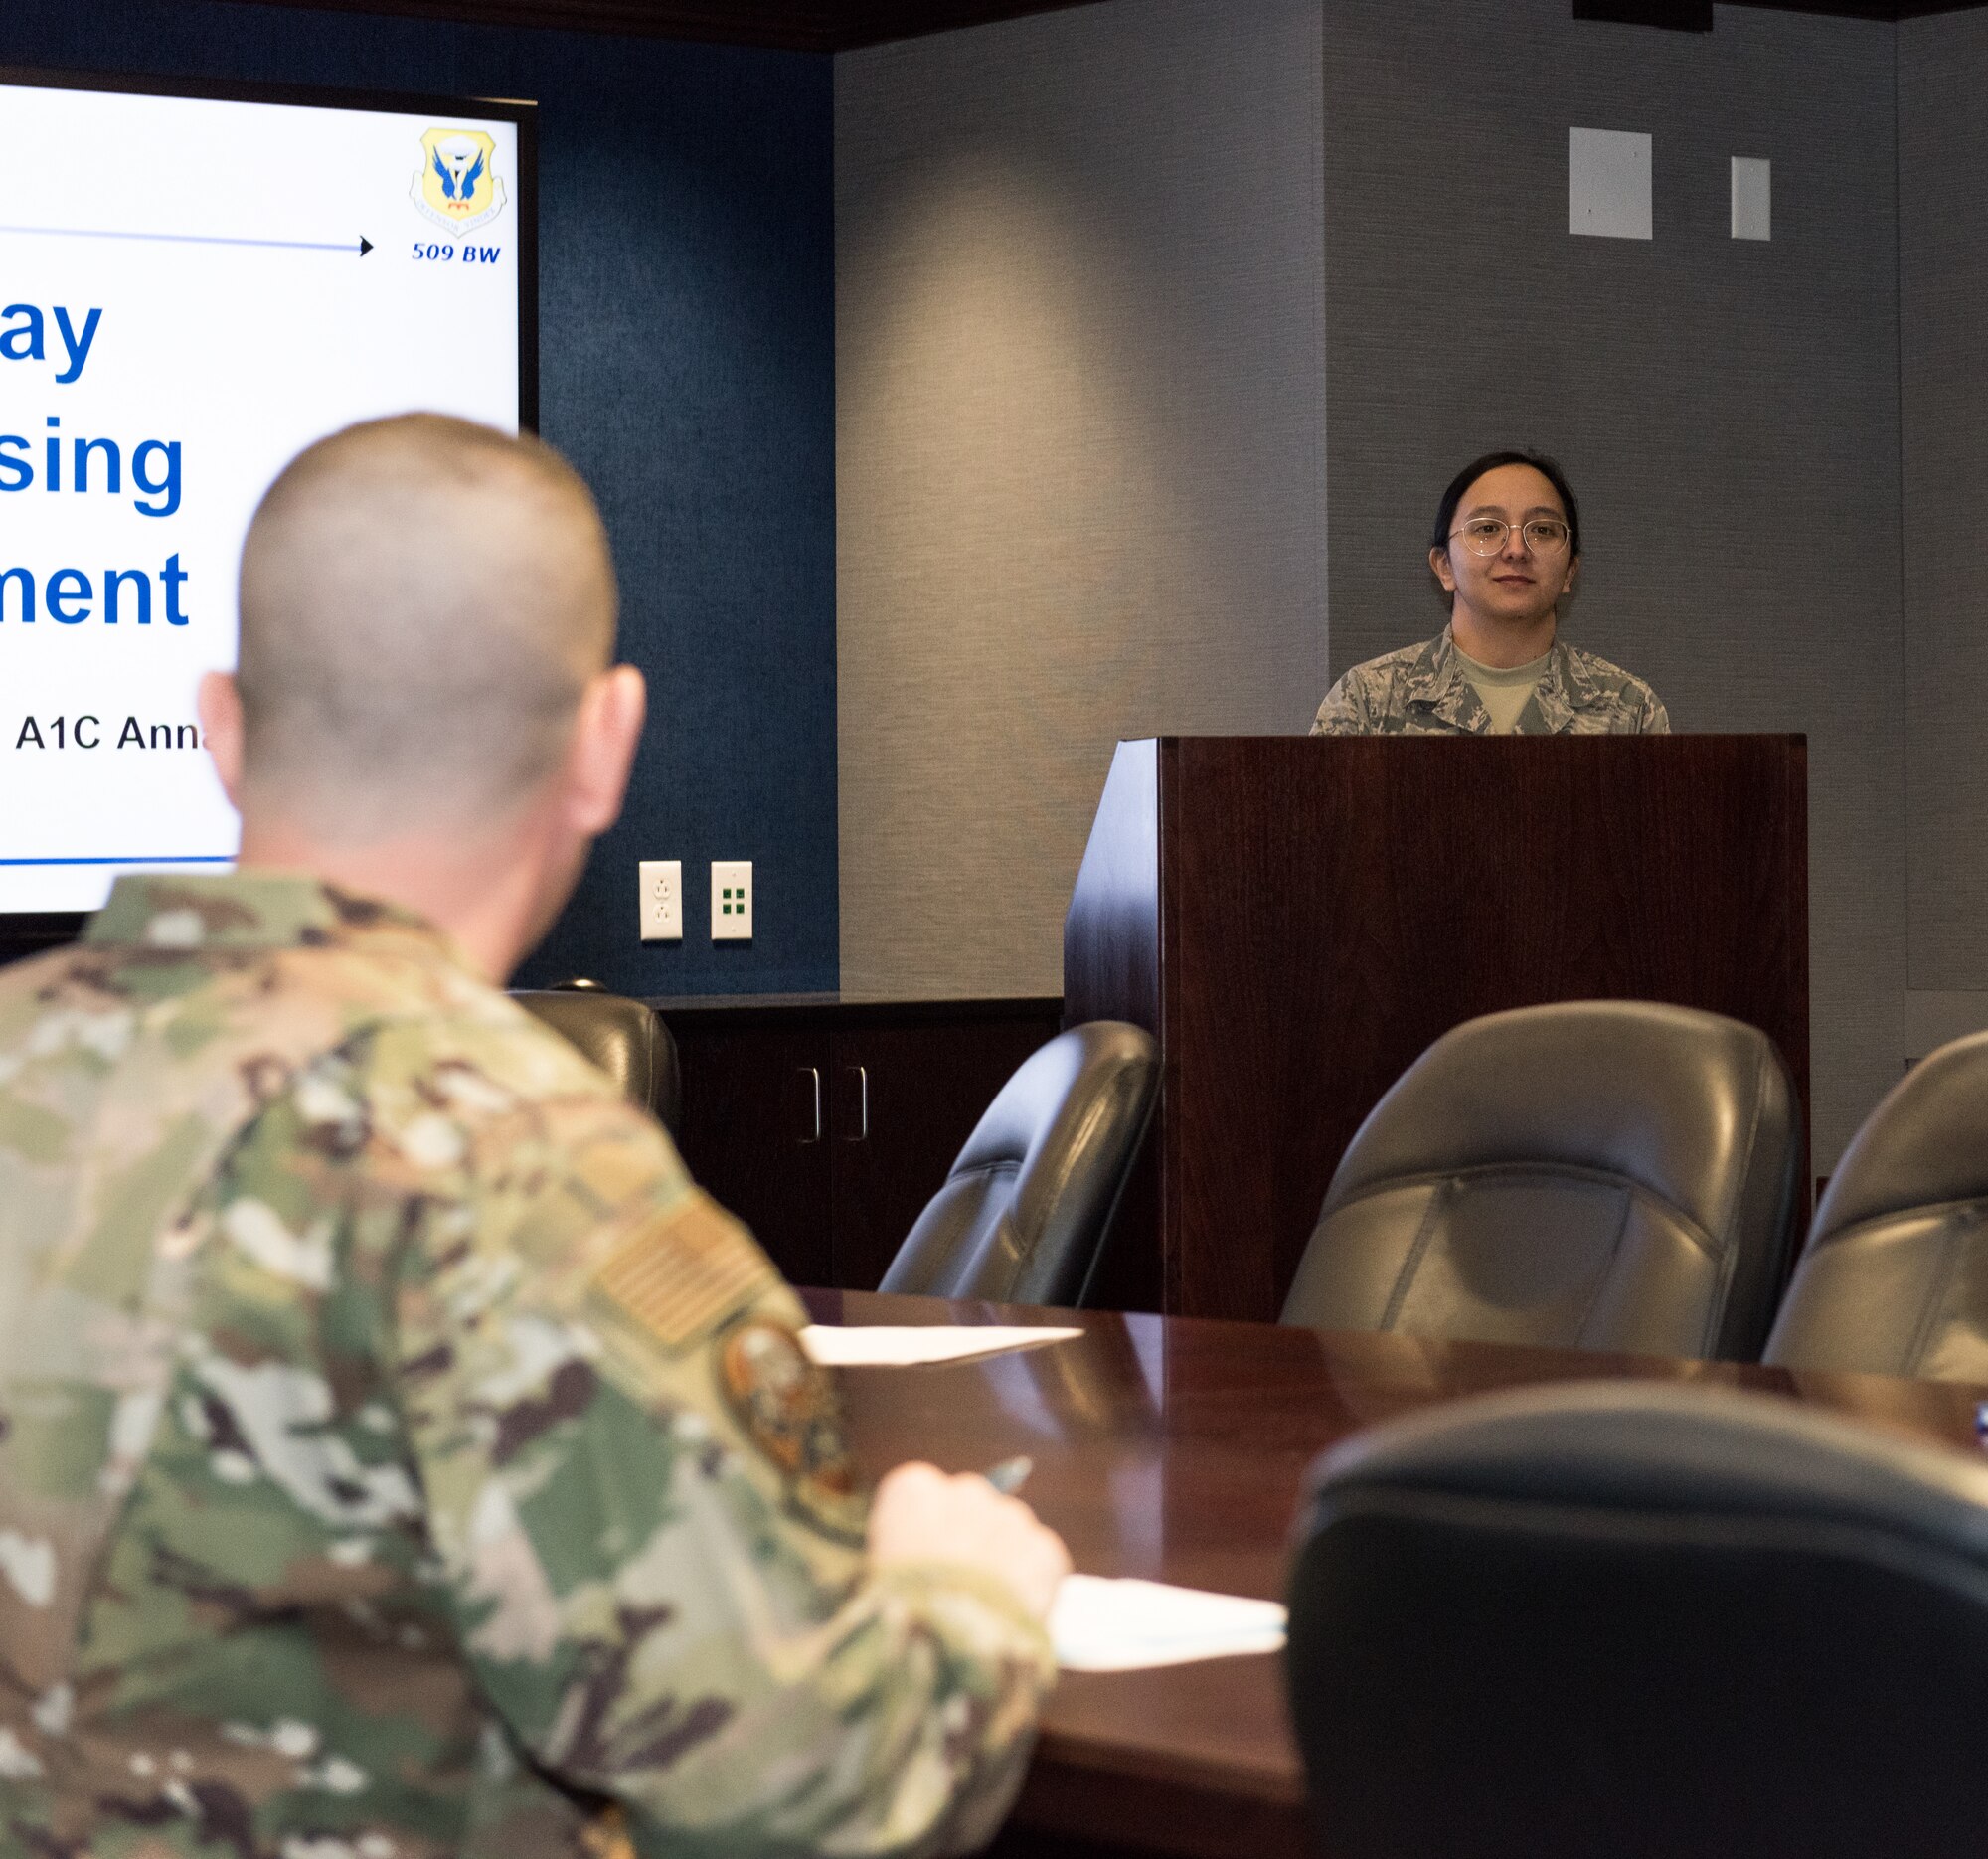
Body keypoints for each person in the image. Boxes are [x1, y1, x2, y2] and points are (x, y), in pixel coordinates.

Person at [0, 415, 1070, 1859]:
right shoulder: (522, 1168)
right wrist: (966, 1593)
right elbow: (811, 1792)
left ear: (220, 725)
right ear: (605, 741)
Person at [1311, 450, 1668, 735]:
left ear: (1569, 572)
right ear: (1444, 566)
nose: (1516, 549)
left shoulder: (1629, 709)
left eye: (1542, 530)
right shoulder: (1367, 700)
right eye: (1487, 528)